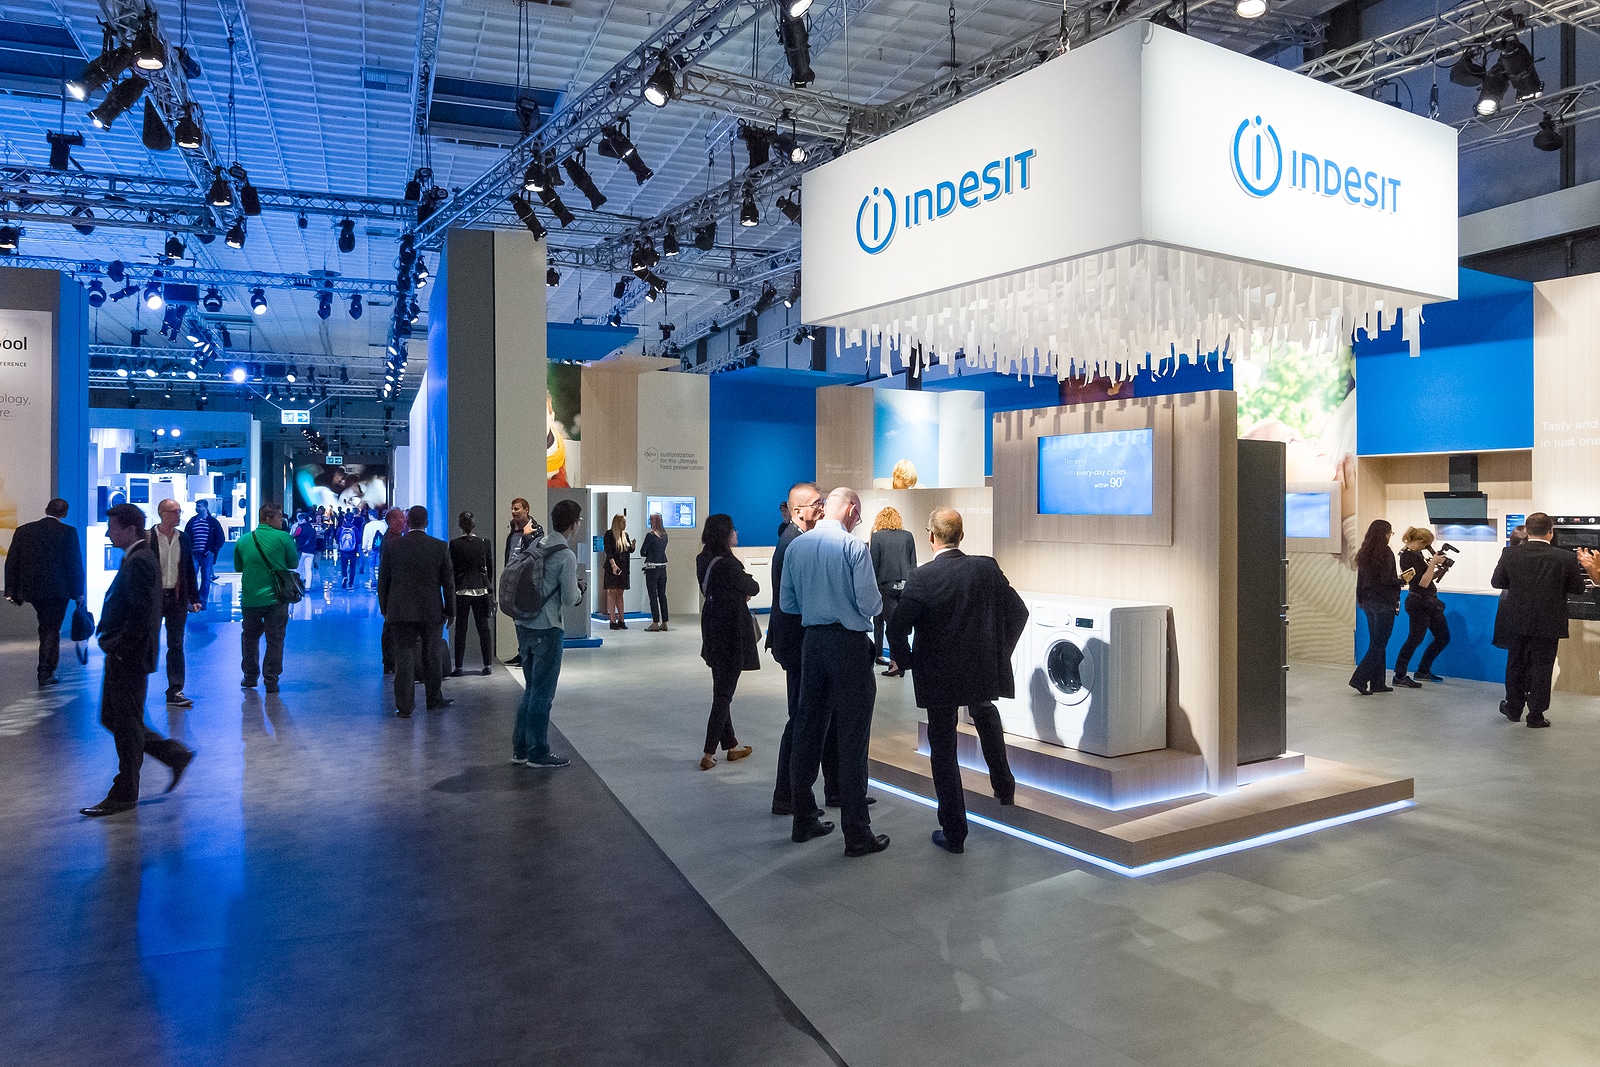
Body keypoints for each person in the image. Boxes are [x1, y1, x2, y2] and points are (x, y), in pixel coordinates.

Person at [887, 507, 1028, 853]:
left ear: (930, 536)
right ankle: (1004, 787)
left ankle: (954, 832)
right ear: (961, 536)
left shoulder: (921, 577)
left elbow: (897, 627)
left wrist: (908, 662)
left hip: (939, 675)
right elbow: (1019, 612)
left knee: (943, 749)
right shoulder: (986, 567)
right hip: (979, 667)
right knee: (985, 714)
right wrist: (1000, 652)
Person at [779, 486, 888, 858]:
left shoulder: (797, 547)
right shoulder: (853, 547)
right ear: (853, 510)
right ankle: (856, 833)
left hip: (813, 643)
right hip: (848, 646)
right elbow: (870, 603)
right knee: (853, 736)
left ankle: (803, 819)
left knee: (808, 730)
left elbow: (788, 603)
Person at [79, 503, 196, 817]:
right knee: (114, 718)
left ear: (130, 529)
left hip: (129, 657)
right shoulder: (138, 556)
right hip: (126, 655)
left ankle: (125, 792)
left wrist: (119, 647)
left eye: (112, 528)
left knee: (125, 723)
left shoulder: (141, 560)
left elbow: (143, 615)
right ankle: (172, 754)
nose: (108, 533)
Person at [768, 481, 845, 817]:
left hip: (803, 643)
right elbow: (792, 603)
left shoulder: (797, 540)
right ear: (798, 511)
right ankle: (788, 797)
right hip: (799, 644)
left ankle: (834, 790)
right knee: (801, 721)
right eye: (817, 503)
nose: (822, 508)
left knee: (820, 716)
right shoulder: (792, 544)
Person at [1492, 512, 1588, 728]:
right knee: (1542, 667)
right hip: (1549, 621)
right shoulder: (1565, 557)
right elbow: (1578, 588)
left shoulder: (1510, 553)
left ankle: (1513, 708)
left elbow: (1497, 582)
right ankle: (1536, 716)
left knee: (1515, 663)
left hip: (1516, 619)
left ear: (1527, 530)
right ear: (1550, 532)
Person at [508, 498, 584, 768]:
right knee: (543, 693)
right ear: (573, 524)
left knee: (531, 689)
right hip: (548, 628)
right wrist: (579, 591)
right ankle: (538, 752)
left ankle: (520, 749)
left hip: (524, 624)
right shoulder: (566, 555)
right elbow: (569, 598)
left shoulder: (537, 544)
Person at [379, 505, 455, 718]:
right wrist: (451, 610)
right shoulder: (439, 547)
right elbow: (448, 583)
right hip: (431, 610)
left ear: (407, 522)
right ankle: (434, 698)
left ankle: (404, 707)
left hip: (400, 611)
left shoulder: (393, 546)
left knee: (404, 657)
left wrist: (385, 608)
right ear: (426, 523)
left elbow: (383, 580)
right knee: (432, 655)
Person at [696, 514, 759, 770]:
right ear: (724, 534)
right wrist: (742, 592)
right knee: (723, 694)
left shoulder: (703, 559)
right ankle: (709, 753)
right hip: (731, 632)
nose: (736, 533)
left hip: (712, 626)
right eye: (733, 529)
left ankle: (732, 745)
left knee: (721, 687)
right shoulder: (729, 565)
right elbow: (753, 587)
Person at [4, 497, 85, 687]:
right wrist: (79, 593)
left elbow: (12, 562)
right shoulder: (68, 532)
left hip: (33, 590)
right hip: (58, 591)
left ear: (46, 509)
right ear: (64, 513)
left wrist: (11, 590)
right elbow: (74, 564)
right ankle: (45, 671)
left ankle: (46, 670)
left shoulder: (24, 530)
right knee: (51, 629)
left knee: (46, 626)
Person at [235, 503, 298, 693]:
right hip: (276, 599)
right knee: (275, 639)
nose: (281, 521)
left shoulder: (243, 540)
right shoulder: (284, 538)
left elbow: (239, 567)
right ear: (269, 519)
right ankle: (271, 680)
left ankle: (249, 676)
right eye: (279, 517)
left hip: (250, 598)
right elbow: (293, 562)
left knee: (249, 637)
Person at [148, 499, 202, 708]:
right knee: (147, 642)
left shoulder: (183, 538)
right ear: (162, 513)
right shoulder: (148, 538)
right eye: (174, 512)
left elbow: (189, 570)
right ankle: (137, 688)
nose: (178, 515)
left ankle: (175, 690)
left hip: (177, 598)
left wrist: (194, 598)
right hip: (153, 599)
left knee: (176, 644)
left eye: (179, 511)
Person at [1391, 527, 1450, 689]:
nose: (1426, 548)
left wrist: (1439, 569)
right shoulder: (1407, 557)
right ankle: (1400, 675)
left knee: (1443, 637)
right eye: (1426, 545)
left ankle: (1423, 670)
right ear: (1420, 542)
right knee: (1414, 639)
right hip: (1419, 602)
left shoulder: (1417, 555)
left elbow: (1427, 578)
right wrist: (1433, 563)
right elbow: (1422, 583)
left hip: (1430, 601)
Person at [1350, 519, 1401, 696]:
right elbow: (1387, 579)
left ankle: (1378, 683)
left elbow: (1361, 580)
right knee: (1379, 644)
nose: (1390, 536)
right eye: (1390, 533)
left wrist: (1360, 599)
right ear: (1385, 534)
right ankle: (1359, 679)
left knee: (1377, 643)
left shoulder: (1364, 553)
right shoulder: (1386, 553)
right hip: (1384, 603)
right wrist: (1401, 580)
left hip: (1369, 603)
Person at [868, 506, 918, 672]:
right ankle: (895, 660)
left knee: (888, 624)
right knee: (898, 624)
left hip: (885, 586)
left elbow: (874, 565)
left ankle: (896, 662)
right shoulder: (908, 536)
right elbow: (913, 562)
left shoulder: (877, 537)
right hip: (905, 585)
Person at [449, 510, 495, 676]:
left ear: (460, 525)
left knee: (461, 629)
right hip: (481, 589)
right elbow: (489, 568)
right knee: (484, 629)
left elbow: (452, 569)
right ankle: (487, 665)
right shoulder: (484, 543)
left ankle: (459, 667)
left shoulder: (454, 544)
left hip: (462, 590)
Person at [503, 497, 533, 667]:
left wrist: (527, 537)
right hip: (512, 578)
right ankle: (522, 652)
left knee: (526, 618)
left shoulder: (535, 530)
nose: (513, 512)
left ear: (526, 510)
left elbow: (534, 554)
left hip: (525, 580)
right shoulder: (513, 529)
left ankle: (527, 654)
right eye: (512, 509)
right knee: (516, 618)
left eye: (517, 509)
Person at [379, 506, 409, 674]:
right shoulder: (393, 541)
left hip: (391, 594)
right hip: (393, 594)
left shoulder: (390, 539)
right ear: (392, 521)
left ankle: (390, 661)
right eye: (401, 518)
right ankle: (390, 662)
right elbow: (385, 574)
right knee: (391, 628)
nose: (404, 521)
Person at [184, 498, 224, 604]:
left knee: (205, 578)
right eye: (196, 506)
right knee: (191, 577)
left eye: (199, 506)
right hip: (194, 554)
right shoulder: (192, 521)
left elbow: (220, 538)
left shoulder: (213, 522)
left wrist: (212, 550)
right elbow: (186, 536)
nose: (197, 508)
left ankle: (202, 600)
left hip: (207, 555)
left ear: (205, 507)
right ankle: (193, 599)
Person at [602, 513, 634, 629]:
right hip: (613, 567)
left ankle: (621, 620)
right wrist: (613, 565)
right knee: (612, 592)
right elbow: (608, 551)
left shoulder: (625, 535)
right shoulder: (609, 534)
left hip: (623, 568)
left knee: (620, 592)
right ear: (617, 523)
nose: (625, 524)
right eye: (623, 522)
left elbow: (628, 550)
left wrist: (632, 547)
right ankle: (612, 620)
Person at [641, 512, 670, 632]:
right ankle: (665, 622)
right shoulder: (665, 536)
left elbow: (642, 551)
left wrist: (649, 553)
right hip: (662, 568)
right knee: (662, 595)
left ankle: (655, 622)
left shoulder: (650, 536)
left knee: (653, 596)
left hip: (652, 569)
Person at [291, 510, 319, 587]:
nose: (298, 521)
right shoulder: (313, 529)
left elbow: (293, 536)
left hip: (301, 551)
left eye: (299, 520)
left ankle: (300, 584)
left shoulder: (299, 528)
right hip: (311, 552)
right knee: (308, 569)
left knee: (299, 568)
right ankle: (308, 586)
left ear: (303, 520)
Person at [336, 511, 362, 589]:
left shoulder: (341, 528)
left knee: (344, 565)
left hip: (343, 550)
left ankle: (344, 577)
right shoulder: (355, 529)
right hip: (353, 550)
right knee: (352, 567)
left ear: (344, 519)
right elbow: (359, 540)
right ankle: (351, 584)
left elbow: (337, 538)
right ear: (353, 520)